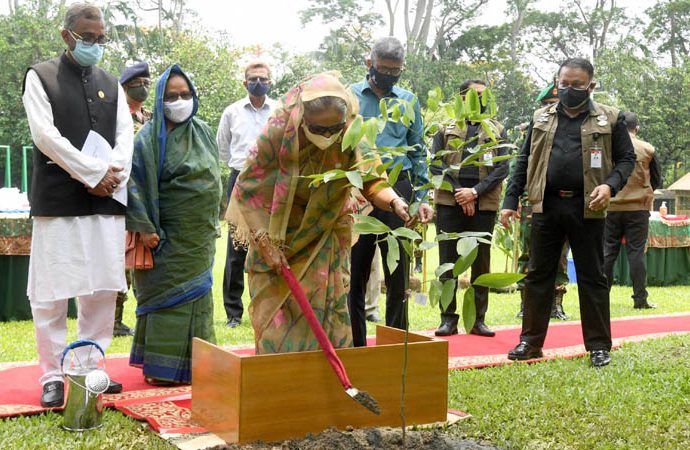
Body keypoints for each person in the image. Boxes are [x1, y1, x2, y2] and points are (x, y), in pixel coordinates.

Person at [226, 72, 413, 354]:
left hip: (326, 235)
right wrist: (266, 245)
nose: (327, 136)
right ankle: (280, 379)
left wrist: (395, 201)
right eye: (318, 129)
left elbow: (372, 178)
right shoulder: (278, 130)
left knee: (327, 312)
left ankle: (322, 382)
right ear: (302, 117)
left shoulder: (351, 131)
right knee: (277, 316)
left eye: (333, 129)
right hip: (278, 235)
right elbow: (248, 186)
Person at [22, 2, 130, 407]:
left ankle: (89, 369)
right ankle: (52, 375)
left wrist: (112, 174)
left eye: (101, 38)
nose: (96, 45)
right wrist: (92, 173)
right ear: (67, 36)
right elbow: (45, 136)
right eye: (89, 37)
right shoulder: (41, 76)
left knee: (101, 289)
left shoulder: (111, 82)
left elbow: (125, 137)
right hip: (58, 200)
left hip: (105, 201)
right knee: (51, 293)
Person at [500, 57, 635, 367]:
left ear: (591, 85)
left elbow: (627, 160)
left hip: (588, 206)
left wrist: (610, 187)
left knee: (593, 276)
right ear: (557, 81)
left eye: (577, 84)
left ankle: (599, 346)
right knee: (538, 275)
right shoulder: (540, 118)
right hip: (546, 206)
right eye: (565, 83)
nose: (570, 89)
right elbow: (523, 161)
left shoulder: (611, 119)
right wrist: (510, 201)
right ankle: (530, 343)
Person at [126, 64, 221, 385]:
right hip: (165, 239)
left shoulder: (205, 132)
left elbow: (213, 177)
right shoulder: (148, 140)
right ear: (159, 99)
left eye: (185, 94)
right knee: (170, 303)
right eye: (172, 96)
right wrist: (145, 228)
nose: (180, 100)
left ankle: (199, 366)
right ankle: (163, 370)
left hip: (200, 238)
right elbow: (134, 184)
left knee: (199, 301)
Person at [348, 37, 434, 347]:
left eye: (395, 71)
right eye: (384, 69)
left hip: (400, 189)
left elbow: (418, 152)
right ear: (369, 63)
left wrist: (422, 197)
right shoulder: (350, 97)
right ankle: (356, 344)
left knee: (398, 274)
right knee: (355, 274)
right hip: (359, 191)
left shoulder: (409, 100)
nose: (389, 75)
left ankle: (396, 343)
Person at [430, 79, 509, 337]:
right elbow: (436, 165)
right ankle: (448, 319)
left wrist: (475, 192)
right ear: (462, 98)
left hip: (483, 202)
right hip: (449, 202)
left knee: (481, 262)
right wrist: (459, 192)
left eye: (485, 95)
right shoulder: (446, 127)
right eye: (475, 95)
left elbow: (503, 167)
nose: (481, 99)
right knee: (448, 261)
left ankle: (477, 319)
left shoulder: (497, 129)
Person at [216, 61, 276, 328]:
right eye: (253, 78)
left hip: (271, 183)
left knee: (268, 244)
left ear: (270, 82)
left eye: (263, 78)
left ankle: (265, 306)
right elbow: (223, 148)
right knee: (236, 246)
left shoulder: (279, 111)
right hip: (240, 180)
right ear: (244, 82)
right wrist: (242, 169)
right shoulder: (232, 112)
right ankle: (233, 313)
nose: (258, 82)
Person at [515, 82, 570, 321]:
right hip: (532, 200)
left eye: (555, 103)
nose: (551, 108)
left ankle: (556, 303)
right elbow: (520, 164)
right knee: (528, 251)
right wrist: (515, 197)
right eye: (547, 104)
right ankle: (525, 303)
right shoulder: (534, 127)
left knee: (559, 253)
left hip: (561, 200)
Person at [603, 112, 661, 309]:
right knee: (636, 253)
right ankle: (640, 299)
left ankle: (602, 297)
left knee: (607, 251)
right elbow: (656, 179)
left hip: (610, 206)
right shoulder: (647, 149)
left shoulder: (608, 147)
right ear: (636, 128)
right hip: (638, 207)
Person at [112, 61, 153, 337]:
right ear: (127, 86)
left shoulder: (149, 117)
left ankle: (146, 313)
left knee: (143, 259)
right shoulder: (115, 116)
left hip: (146, 197)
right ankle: (114, 319)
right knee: (118, 259)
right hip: (120, 196)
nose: (145, 88)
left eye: (148, 83)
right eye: (140, 83)